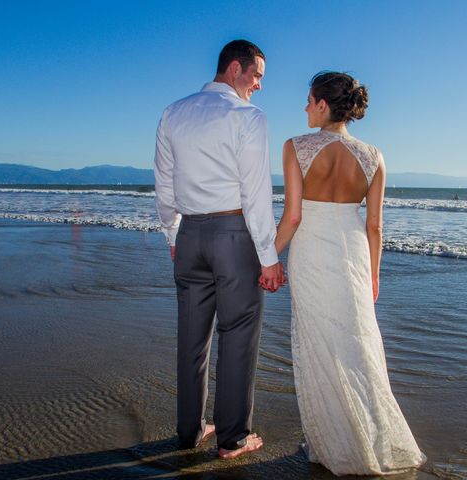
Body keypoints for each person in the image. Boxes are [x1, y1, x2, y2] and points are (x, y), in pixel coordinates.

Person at [275, 72, 426, 475]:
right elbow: (375, 226)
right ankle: (368, 438)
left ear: (324, 105)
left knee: (321, 344)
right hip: (355, 254)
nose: (305, 107)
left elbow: (292, 217)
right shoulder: (375, 156)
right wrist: (374, 275)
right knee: (358, 345)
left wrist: (266, 256)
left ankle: (334, 443)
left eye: (309, 100)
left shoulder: (296, 147)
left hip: (311, 250)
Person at [154, 39, 285, 460]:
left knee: (191, 340)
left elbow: (164, 184)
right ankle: (232, 439)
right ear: (235, 69)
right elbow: (256, 193)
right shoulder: (248, 116)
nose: (259, 85)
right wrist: (269, 258)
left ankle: (189, 433)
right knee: (238, 336)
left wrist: (173, 235)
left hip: (190, 235)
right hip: (234, 235)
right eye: (257, 75)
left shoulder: (173, 113)